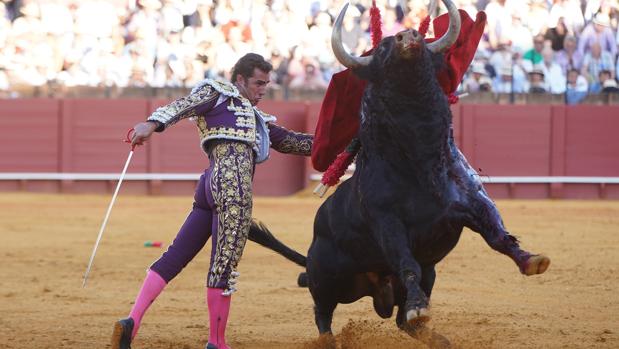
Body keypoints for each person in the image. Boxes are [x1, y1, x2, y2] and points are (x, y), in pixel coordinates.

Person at [111, 53, 313, 349]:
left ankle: (132, 321)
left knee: (175, 255)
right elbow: (182, 106)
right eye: (258, 82)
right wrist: (151, 124)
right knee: (224, 264)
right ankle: (216, 342)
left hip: (209, 184)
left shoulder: (258, 119)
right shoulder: (218, 92)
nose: (263, 89)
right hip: (232, 185)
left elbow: (294, 142)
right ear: (240, 79)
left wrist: (344, 144)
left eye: (267, 83)